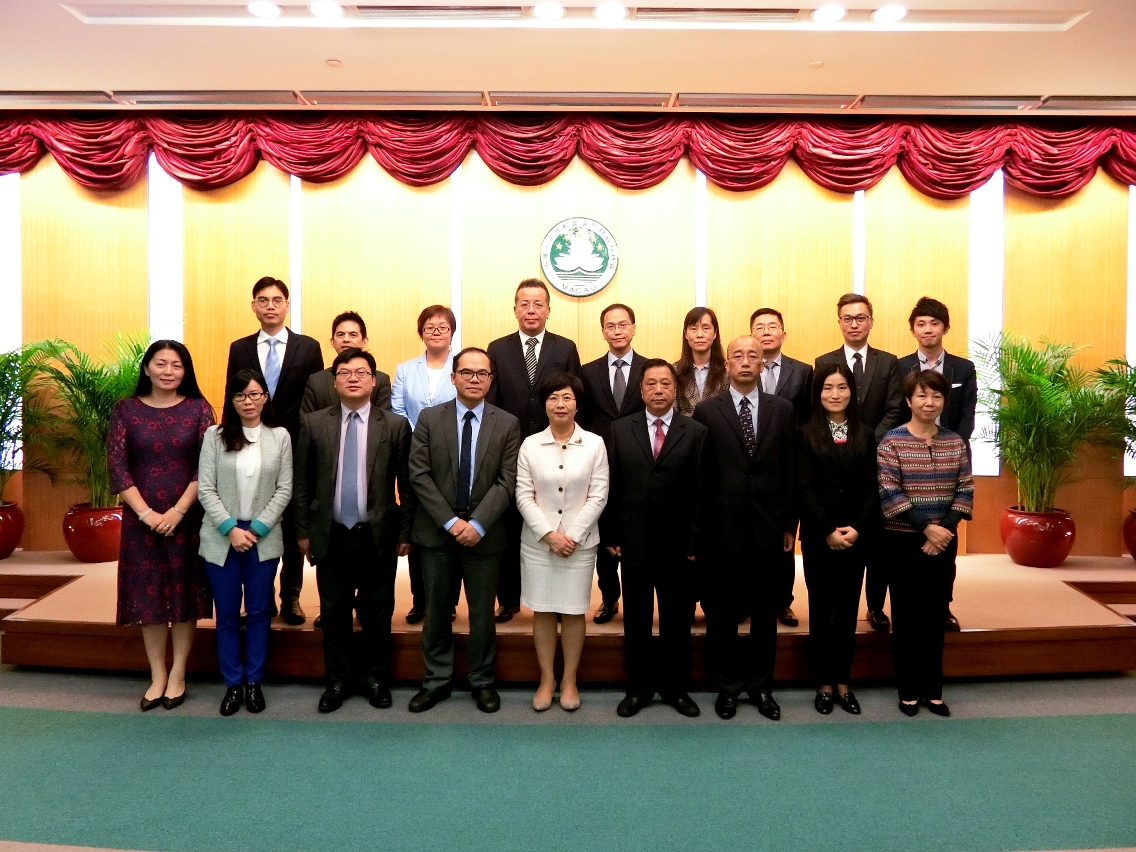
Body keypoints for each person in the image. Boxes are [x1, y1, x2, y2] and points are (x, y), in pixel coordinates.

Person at [294, 348, 415, 713]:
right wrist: (303, 532)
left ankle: (376, 678)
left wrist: (405, 532)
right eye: (345, 372)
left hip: (377, 534)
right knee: (334, 612)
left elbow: (406, 485)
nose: (353, 378)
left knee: (378, 612)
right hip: (330, 532)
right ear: (335, 381)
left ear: (374, 380)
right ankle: (337, 680)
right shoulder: (315, 423)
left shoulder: (394, 425)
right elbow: (302, 483)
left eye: (361, 372)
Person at [407, 347, 521, 714]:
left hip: (484, 536)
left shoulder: (507, 423)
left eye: (482, 374)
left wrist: (477, 523)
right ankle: (436, 681)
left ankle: (482, 681)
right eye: (467, 372)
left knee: (482, 614)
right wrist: (451, 521)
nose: (474, 379)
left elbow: (508, 481)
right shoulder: (428, 418)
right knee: (438, 611)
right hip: (437, 533)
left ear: (491, 380)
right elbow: (419, 474)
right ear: (453, 377)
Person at [693, 336, 797, 721]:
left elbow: (790, 469)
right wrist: (700, 530)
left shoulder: (782, 410)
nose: (746, 361)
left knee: (765, 613)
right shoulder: (707, 411)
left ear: (763, 363)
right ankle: (726, 686)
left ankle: (761, 685)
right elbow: (701, 478)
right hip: (722, 528)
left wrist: (790, 524)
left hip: (769, 527)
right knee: (721, 612)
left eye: (753, 355)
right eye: (738, 355)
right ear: (728, 362)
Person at [107, 340, 214, 712]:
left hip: (187, 518)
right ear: (147, 368)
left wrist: (179, 511)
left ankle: (179, 672)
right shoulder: (126, 410)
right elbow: (118, 468)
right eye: (161, 363)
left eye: (177, 365)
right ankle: (157, 675)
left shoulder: (200, 410)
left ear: (186, 371)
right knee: (148, 598)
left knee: (184, 597)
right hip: (142, 522)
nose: (169, 371)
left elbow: (208, 466)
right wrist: (147, 514)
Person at [603, 359, 708, 718]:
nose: (659, 390)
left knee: (677, 620)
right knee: (637, 620)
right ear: (642, 390)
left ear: (675, 389)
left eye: (666, 383)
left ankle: (677, 688)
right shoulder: (619, 430)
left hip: (679, 545)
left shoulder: (694, 432)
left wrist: (695, 542)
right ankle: (638, 688)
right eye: (652, 384)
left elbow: (700, 493)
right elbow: (612, 487)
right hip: (633, 540)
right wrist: (613, 533)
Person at [226, 276, 324, 625]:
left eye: (277, 299)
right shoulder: (239, 348)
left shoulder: (308, 347)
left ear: (287, 306)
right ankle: (260, 597)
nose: (270, 305)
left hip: (295, 444)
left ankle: (292, 597)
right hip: (251, 442)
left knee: (292, 520)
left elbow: (315, 401)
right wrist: (231, 442)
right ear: (253, 305)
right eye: (263, 300)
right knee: (255, 515)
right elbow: (231, 395)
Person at [878, 370, 973, 718]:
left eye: (935, 397)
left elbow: (965, 489)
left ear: (943, 401)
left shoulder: (954, 442)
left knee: (935, 616)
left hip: (943, 541)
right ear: (908, 401)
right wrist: (925, 529)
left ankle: (932, 690)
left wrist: (943, 529)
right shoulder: (892, 442)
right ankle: (907, 691)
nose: (929, 403)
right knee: (906, 616)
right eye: (921, 396)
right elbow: (888, 491)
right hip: (903, 542)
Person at [197, 370, 293, 716]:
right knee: (225, 615)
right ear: (231, 399)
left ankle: (254, 682)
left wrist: (257, 528)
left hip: (262, 538)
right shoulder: (214, 435)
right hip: (222, 536)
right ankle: (232, 684)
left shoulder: (280, 436)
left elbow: (285, 488)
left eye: (254, 395)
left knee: (258, 613)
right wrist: (230, 528)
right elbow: (205, 487)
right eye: (241, 396)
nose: (248, 402)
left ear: (265, 397)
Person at [486, 278, 582, 623]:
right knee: (510, 524)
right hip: (512, 452)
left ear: (547, 310)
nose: (531, 310)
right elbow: (492, 404)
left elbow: (573, 397)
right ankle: (508, 598)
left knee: (555, 519)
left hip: (554, 450)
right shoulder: (497, 349)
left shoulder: (565, 347)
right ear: (514, 309)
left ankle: (557, 601)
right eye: (524, 304)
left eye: (538, 304)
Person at [516, 372, 609, 712]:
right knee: (542, 610)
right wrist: (549, 535)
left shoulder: (595, 444)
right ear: (544, 404)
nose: (560, 404)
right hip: (539, 543)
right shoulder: (529, 445)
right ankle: (546, 678)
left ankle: (569, 678)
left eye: (567, 397)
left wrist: (571, 535)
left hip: (579, 545)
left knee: (573, 611)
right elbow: (523, 495)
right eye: (553, 397)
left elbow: (598, 496)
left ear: (577, 403)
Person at [814, 293, 903, 634]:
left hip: (877, 455)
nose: (854, 323)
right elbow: (820, 406)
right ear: (839, 322)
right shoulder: (824, 360)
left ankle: (876, 606)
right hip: (834, 460)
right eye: (847, 318)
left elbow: (895, 408)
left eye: (860, 317)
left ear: (871, 321)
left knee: (876, 540)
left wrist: (866, 441)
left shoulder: (888, 362)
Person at [797, 363, 880, 716]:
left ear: (852, 392)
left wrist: (858, 528)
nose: (835, 394)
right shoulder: (805, 434)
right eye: (828, 388)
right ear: (818, 394)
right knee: (821, 609)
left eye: (842, 388)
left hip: (855, 536)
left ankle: (843, 680)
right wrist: (827, 530)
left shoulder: (866, 433)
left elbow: (872, 489)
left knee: (847, 611)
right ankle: (823, 683)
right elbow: (803, 487)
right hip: (820, 537)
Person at [897, 296, 978, 632]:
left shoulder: (963, 368)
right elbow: (897, 412)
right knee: (905, 536)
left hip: (950, 462)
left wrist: (947, 446)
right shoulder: (899, 367)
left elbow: (967, 416)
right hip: (909, 460)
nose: (927, 329)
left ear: (945, 327)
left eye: (934, 323)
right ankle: (893, 607)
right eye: (921, 324)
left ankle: (943, 605)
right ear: (913, 329)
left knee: (946, 535)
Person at [578, 303, 647, 625]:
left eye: (623, 325)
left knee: (636, 527)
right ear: (603, 330)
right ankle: (609, 598)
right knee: (603, 529)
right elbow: (585, 417)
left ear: (633, 328)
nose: (617, 331)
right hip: (599, 460)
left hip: (640, 460)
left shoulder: (650, 370)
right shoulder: (588, 371)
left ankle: (639, 597)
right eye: (610, 326)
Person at [392, 305, 459, 624]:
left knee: (452, 526)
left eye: (443, 327)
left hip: (454, 458)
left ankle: (449, 600)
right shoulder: (406, 369)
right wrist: (422, 439)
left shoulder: (462, 369)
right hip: (414, 457)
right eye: (430, 326)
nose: (436, 331)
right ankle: (420, 599)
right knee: (419, 528)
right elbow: (397, 409)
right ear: (421, 332)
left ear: (452, 333)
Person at [751, 307, 813, 629]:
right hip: (751, 464)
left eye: (772, 326)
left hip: (788, 463)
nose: (766, 331)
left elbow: (808, 419)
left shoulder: (803, 372)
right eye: (759, 327)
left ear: (783, 334)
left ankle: (782, 602)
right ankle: (749, 600)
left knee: (785, 539)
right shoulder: (742, 370)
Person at [302, 310, 392, 414]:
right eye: (340, 334)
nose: (346, 339)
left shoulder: (380, 380)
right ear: (332, 341)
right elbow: (307, 421)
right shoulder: (316, 381)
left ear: (364, 341)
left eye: (353, 335)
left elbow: (385, 422)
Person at [674, 307, 728, 416]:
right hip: (685, 431)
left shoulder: (727, 370)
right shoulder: (674, 371)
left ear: (715, 333)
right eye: (694, 329)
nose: (700, 335)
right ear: (685, 334)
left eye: (706, 328)